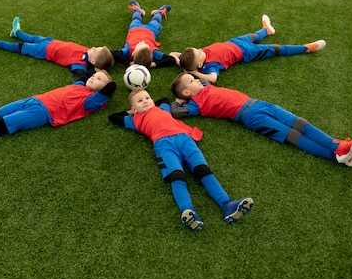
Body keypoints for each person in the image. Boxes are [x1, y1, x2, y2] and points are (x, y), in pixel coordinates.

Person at [108, 87, 254, 232]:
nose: (145, 101)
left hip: (185, 139)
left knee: (203, 170)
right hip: (164, 145)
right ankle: (189, 212)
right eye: (140, 101)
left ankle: (227, 204)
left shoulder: (163, 109)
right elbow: (113, 117)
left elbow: (164, 99)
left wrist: (149, 103)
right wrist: (132, 112)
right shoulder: (135, 119)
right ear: (134, 109)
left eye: (147, 98)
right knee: (177, 175)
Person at [169, 73, 352, 167]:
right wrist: (178, 100)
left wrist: (192, 77)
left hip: (258, 103)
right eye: (191, 81)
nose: (196, 80)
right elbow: (176, 112)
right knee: (292, 135)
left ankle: (338, 145)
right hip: (251, 116)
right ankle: (338, 155)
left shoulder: (204, 86)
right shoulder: (196, 103)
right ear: (187, 92)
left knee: (299, 123)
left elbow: (205, 80)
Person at [0, 71, 116, 149]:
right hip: (34, 100)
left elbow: (103, 95)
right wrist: (92, 75)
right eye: (95, 76)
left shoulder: (90, 101)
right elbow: (83, 75)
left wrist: (109, 86)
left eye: (99, 80)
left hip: (42, 113)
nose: (94, 78)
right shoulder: (79, 86)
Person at [169, 15, 326, 83]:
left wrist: (181, 62)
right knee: (275, 49)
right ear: (200, 65)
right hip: (245, 53)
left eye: (198, 49)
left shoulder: (192, 59)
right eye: (200, 53)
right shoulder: (211, 66)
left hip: (233, 42)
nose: (201, 49)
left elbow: (174, 54)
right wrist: (193, 73)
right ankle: (306, 48)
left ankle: (267, 30)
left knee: (254, 36)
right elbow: (213, 78)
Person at [0, 16, 114, 76]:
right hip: (51, 41)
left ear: (93, 61)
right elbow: (112, 54)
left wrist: (97, 71)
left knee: (21, 47)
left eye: (95, 49)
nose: (93, 47)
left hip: (44, 51)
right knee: (33, 37)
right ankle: (16, 31)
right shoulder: (87, 52)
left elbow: (81, 74)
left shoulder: (79, 64)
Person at [110, 0, 177, 69]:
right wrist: (153, 64)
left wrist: (128, 63)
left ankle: (138, 11)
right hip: (151, 31)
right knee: (155, 20)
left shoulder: (128, 50)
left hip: (135, 29)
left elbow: (114, 53)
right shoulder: (153, 53)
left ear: (133, 53)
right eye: (146, 45)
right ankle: (159, 12)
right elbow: (172, 59)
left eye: (139, 45)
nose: (142, 41)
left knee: (136, 19)